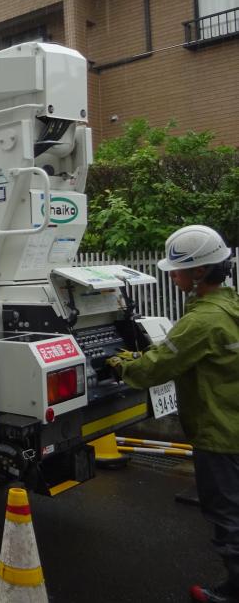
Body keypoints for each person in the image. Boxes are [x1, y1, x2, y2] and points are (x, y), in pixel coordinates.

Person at [107, 225, 239, 603]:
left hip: (219, 434)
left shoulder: (201, 321)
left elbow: (154, 369)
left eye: (176, 270)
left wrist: (123, 365)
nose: (171, 275)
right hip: (233, 424)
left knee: (227, 515)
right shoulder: (231, 306)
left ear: (199, 272)